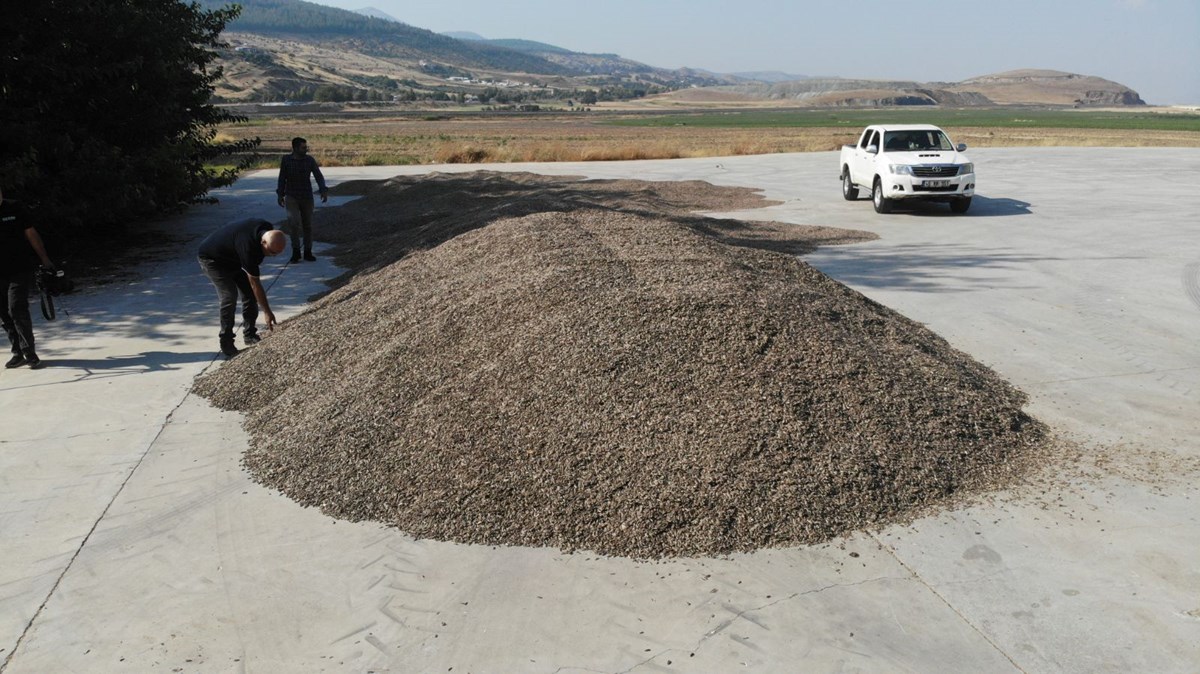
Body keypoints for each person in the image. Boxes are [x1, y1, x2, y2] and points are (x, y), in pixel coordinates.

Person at [197, 218, 288, 358]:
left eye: (277, 253)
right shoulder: (248, 248)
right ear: (263, 242)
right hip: (212, 259)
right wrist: (267, 311)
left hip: (233, 257)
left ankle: (249, 333)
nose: (272, 256)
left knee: (250, 295)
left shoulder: (266, 228)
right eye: (271, 252)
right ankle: (226, 341)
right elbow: (255, 283)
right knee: (229, 296)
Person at [0, 187, 55, 370]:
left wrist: (45, 258)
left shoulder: (15, 208)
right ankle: (17, 352)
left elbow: (31, 233)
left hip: (19, 268)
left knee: (16, 307)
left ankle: (29, 353)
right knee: (3, 312)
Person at [276, 137, 328, 264]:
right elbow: (282, 177)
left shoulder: (309, 160)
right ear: (295, 148)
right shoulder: (286, 160)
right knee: (293, 223)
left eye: (306, 147)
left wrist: (323, 189)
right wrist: (280, 194)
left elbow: (318, 175)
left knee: (307, 225)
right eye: (303, 147)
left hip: (306, 196)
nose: (306, 149)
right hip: (291, 196)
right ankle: (296, 252)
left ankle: (308, 252)